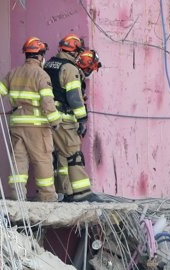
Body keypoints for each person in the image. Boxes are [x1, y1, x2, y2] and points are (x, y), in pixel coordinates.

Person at [0, 37, 61, 201]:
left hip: (17, 125)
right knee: (43, 160)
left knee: (19, 161)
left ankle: (17, 196)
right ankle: (48, 197)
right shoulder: (41, 75)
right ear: (39, 56)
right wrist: (55, 122)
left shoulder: (13, 73)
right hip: (37, 127)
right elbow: (47, 101)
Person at [43, 34, 98, 202]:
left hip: (47, 118)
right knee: (74, 154)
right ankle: (83, 193)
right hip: (64, 119)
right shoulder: (70, 69)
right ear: (75, 51)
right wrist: (82, 119)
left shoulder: (49, 65)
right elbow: (74, 98)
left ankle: (65, 192)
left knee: (59, 157)